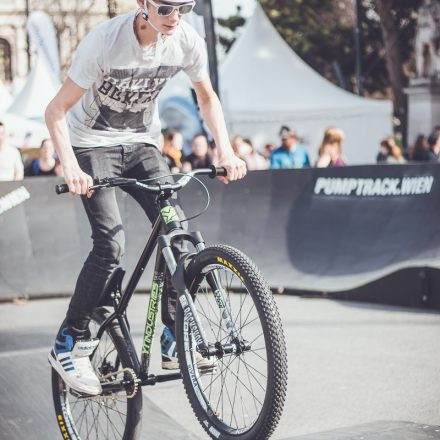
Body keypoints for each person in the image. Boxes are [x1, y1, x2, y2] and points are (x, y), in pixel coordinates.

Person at [45, 0, 246, 396]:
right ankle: (69, 340)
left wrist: (225, 150)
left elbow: (206, 98)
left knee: (178, 230)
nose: (175, 17)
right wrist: (71, 166)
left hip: (140, 144)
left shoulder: (186, 40)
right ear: (142, 4)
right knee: (111, 244)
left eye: (184, 7)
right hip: (91, 145)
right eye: (166, 8)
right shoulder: (104, 42)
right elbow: (55, 110)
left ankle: (173, 336)